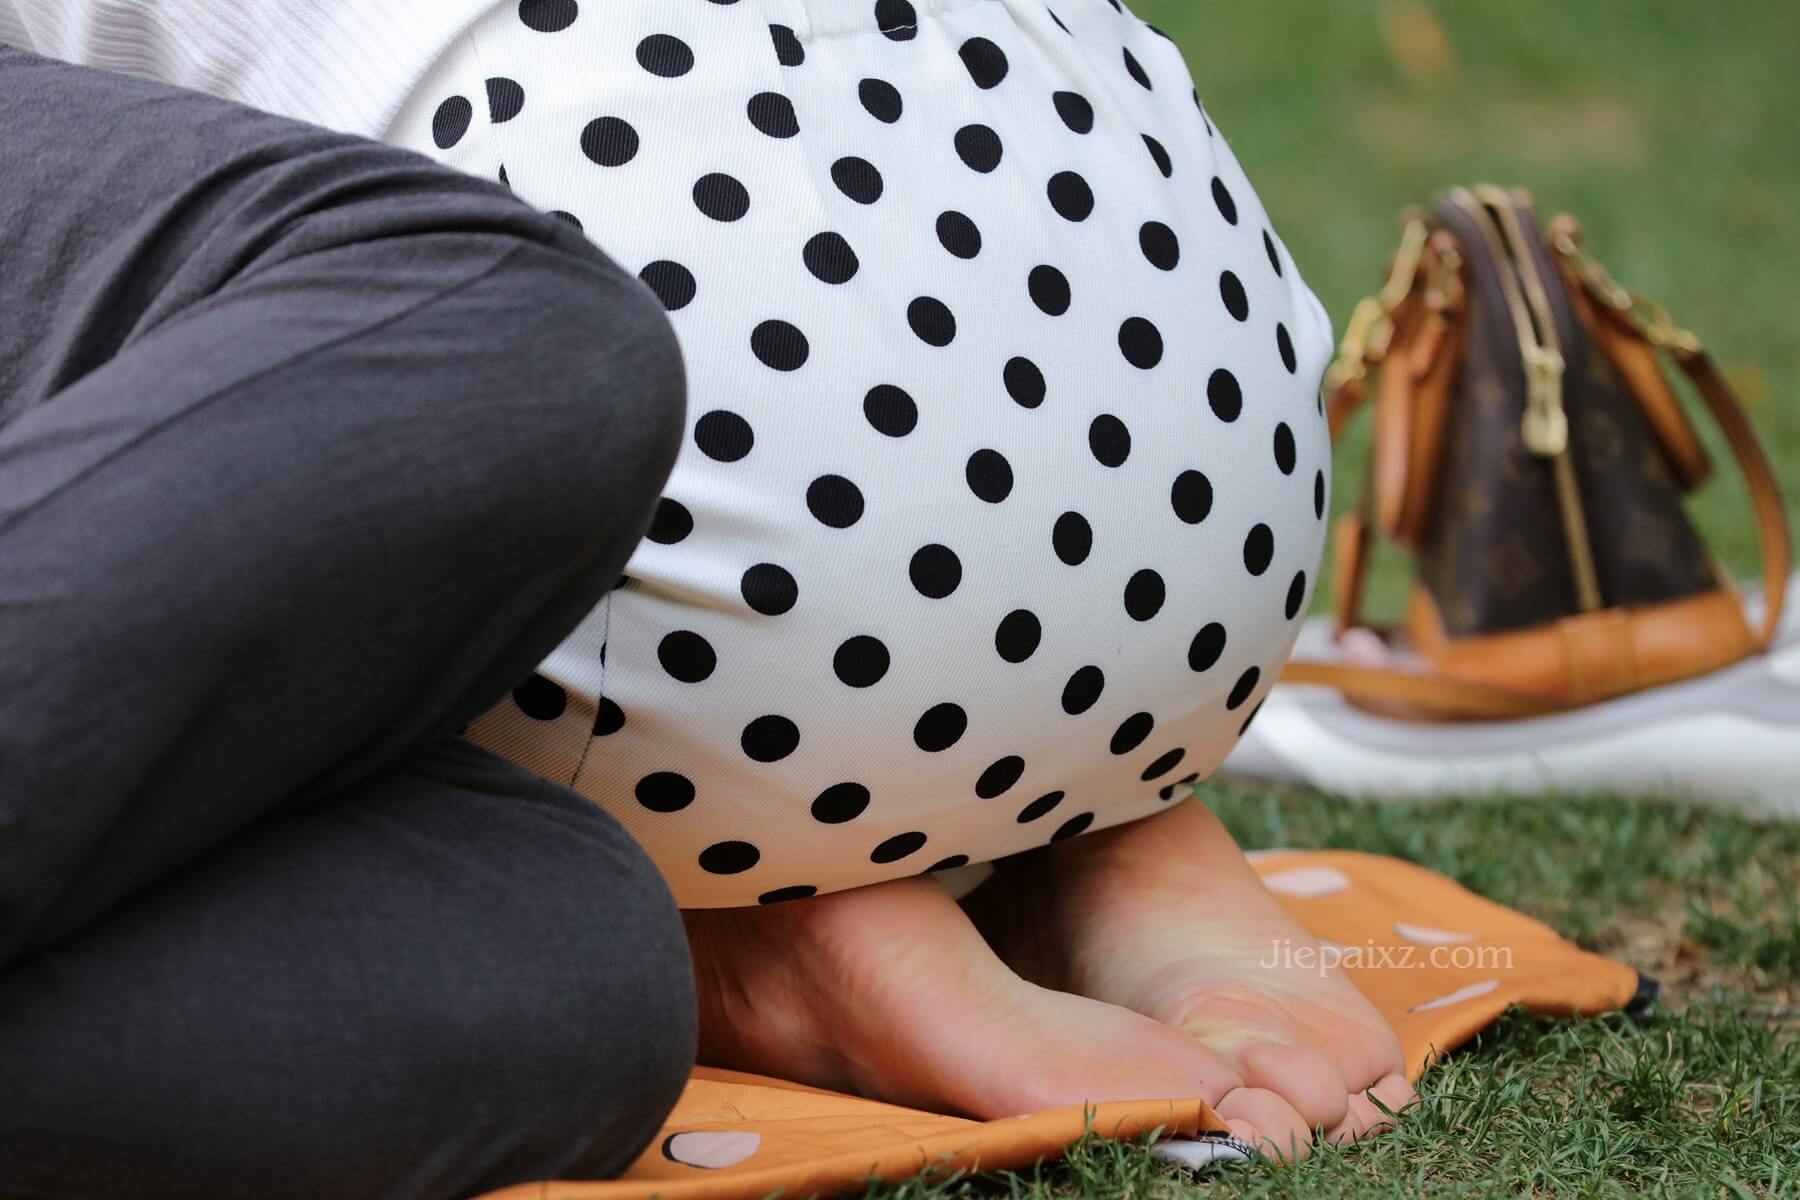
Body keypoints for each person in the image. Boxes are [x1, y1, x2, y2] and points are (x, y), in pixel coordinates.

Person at [0, 3, 1413, 1198]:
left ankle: (889, 870)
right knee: (575, 970)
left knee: (573, 983)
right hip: (1170, 360)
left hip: (595, 431)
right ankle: (954, 853)